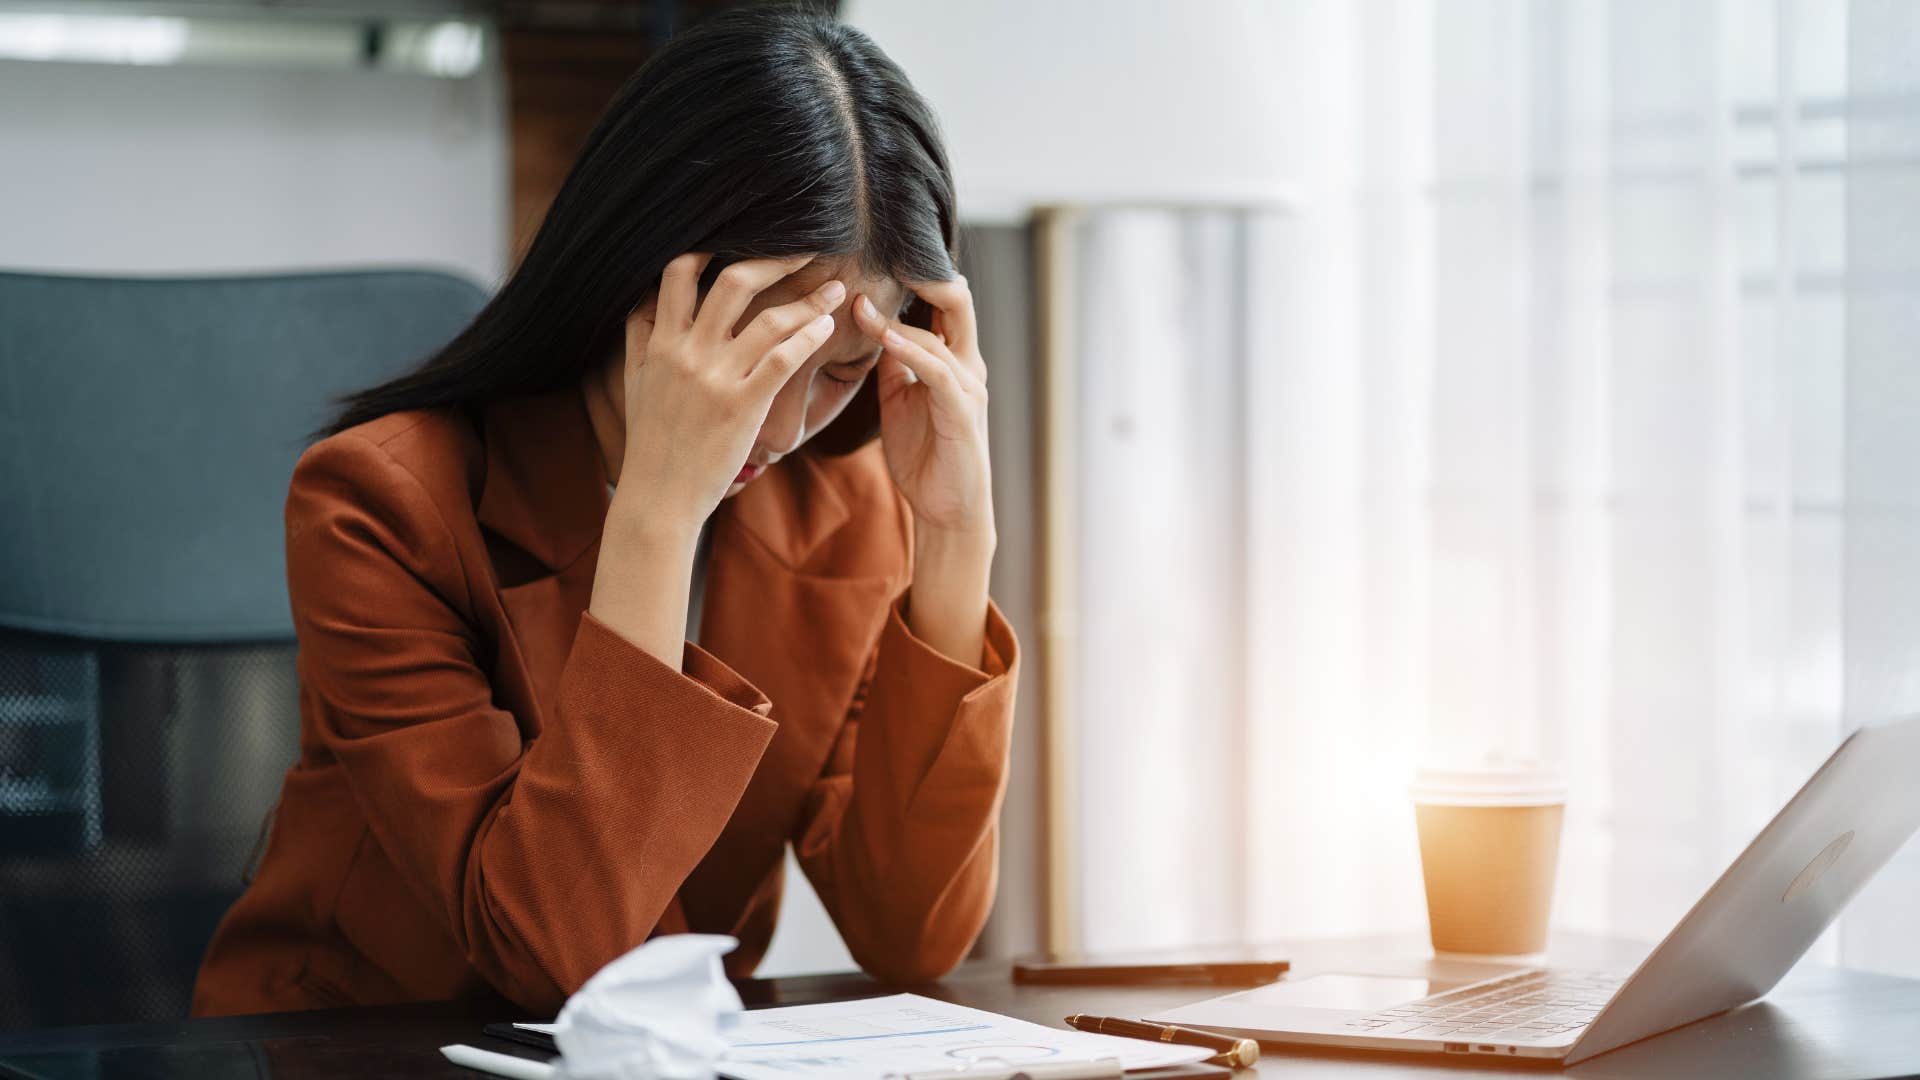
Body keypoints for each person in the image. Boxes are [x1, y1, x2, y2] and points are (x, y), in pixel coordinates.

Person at [191, 5, 1016, 1017]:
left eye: (841, 372)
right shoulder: (378, 504)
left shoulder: (841, 511)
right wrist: (661, 516)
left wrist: (952, 544)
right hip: (359, 1046)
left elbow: (911, 936)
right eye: (759, 360)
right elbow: (556, 951)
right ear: (638, 281)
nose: (786, 429)